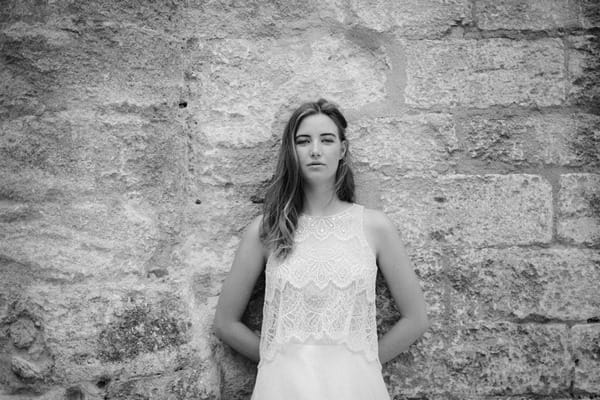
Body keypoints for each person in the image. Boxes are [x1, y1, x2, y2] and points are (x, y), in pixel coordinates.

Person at [214, 98, 429, 399]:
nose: (315, 150)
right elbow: (225, 323)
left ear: (342, 150)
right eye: (303, 141)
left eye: (326, 140)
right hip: (283, 388)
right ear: (292, 150)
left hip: (355, 388)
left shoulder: (375, 227)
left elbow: (416, 319)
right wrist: (276, 362)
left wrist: (361, 364)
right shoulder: (266, 230)